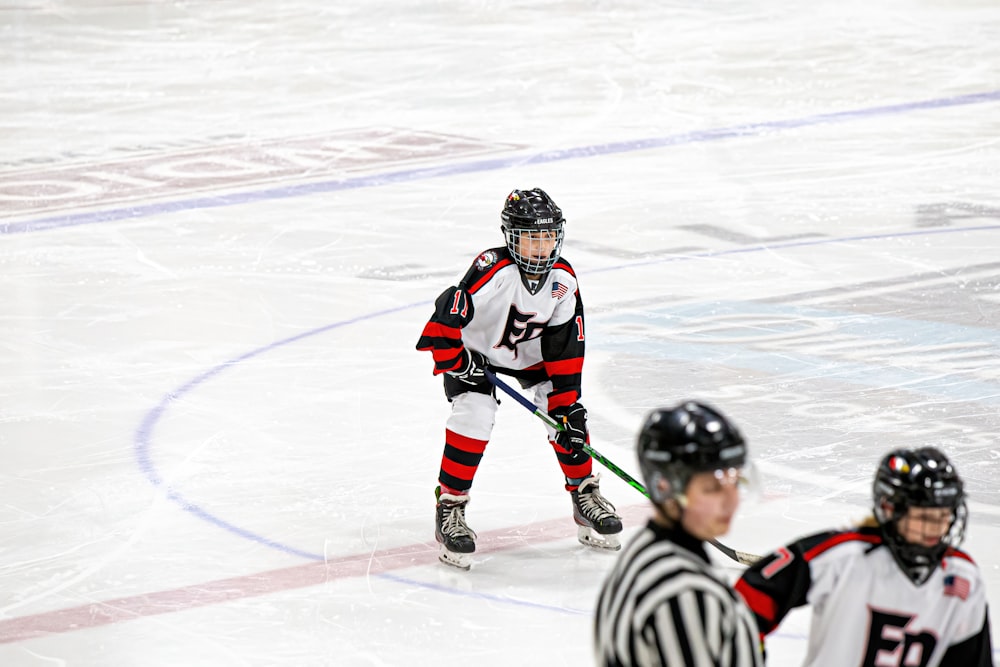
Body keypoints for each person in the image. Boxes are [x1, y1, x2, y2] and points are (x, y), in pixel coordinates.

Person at [415, 187, 622, 570]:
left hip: (530, 362)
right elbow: (442, 324)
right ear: (512, 238)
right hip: (475, 358)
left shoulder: (563, 281)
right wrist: (459, 363)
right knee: (475, 413)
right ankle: (451, 507)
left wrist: (567, 404)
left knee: (566, 417)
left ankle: (584, 494)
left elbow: (565, 349)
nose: (542, 247)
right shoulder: (492, 270)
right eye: (531, 238)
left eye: (548, 237)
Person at [735, 446, 994, 666]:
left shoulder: (962, 578)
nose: (937, 528)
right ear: (890, 509)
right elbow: (750, 597)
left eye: (944, 516)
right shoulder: (841, 557)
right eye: (925, 517)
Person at [593, 401, 765, 667]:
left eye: (735, 481)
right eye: (711, 487)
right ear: (665, 488)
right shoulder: (683, 593)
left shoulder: (648, 551)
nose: (731, 500)